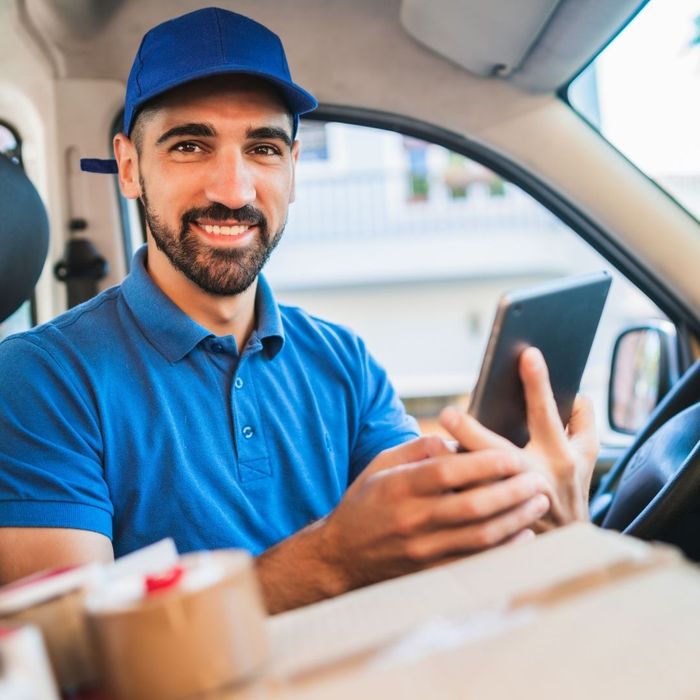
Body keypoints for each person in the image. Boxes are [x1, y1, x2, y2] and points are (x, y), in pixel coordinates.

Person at [0, 7, 597, 614]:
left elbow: (421, 543)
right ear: (129, 167)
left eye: (262, 148)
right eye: (188, 146)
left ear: (293, 168)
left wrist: (532, 511)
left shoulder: (345, 361)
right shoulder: (37, 378)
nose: (232, 191)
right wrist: (332, 559)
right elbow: (77, 653)